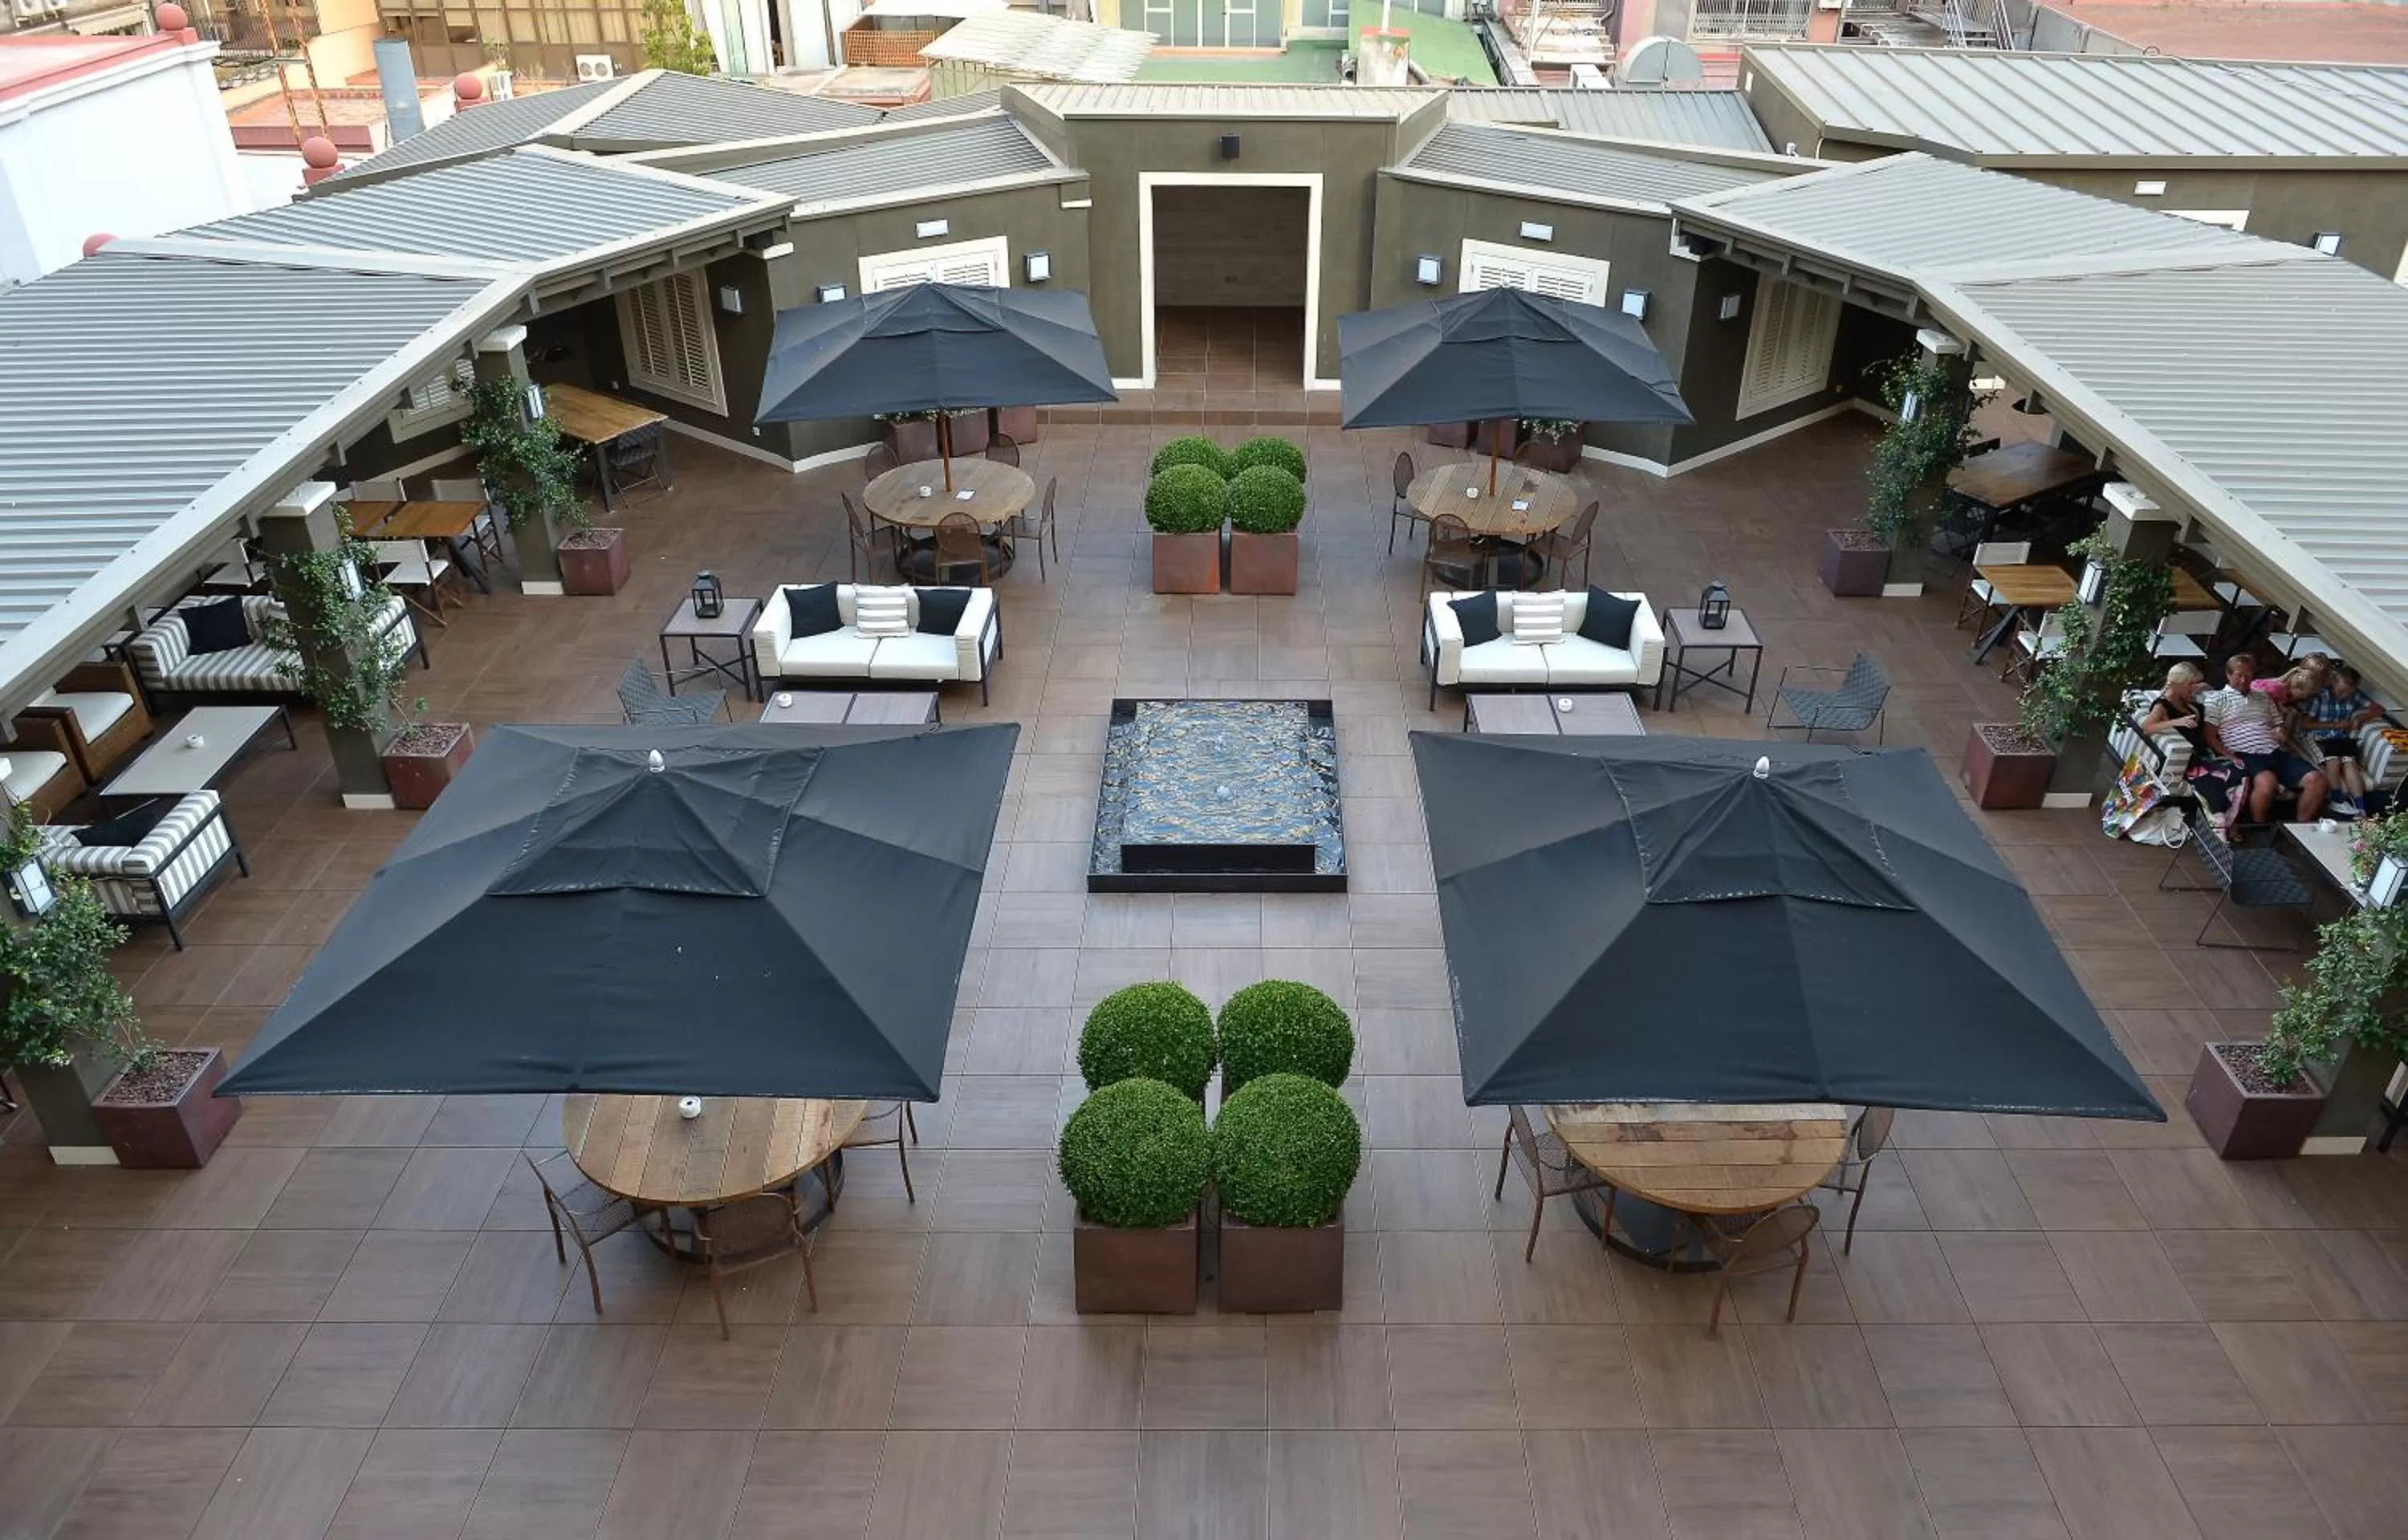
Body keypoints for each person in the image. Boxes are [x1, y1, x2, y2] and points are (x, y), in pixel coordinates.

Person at [2204, 654, 2326, 825]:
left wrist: (2280, 731)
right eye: (2238, 675)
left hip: (2274, 751)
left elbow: (2279, 724)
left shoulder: (2264, 697)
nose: (2244, 679)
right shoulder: (2215, 699)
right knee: (2268, 782)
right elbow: (2209, 735)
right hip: (2245, 753)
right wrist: (2229, 756)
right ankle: (2260, 827)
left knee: (2316, 779)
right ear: (2228, 675)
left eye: (2248, 674)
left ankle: (2300, 828)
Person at [2143, 661, 2245, 828]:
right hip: (2191, 761)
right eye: (2190, 685)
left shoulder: (2183, 698)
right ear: (2179, 684)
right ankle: (2221, 825)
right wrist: (2178, 721)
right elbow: (2148, 727)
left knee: (2239, 774)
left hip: (2203, 753)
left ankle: (2228, 823)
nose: (2193, 688)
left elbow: (2205, 686)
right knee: (2224, 781)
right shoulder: (2164, 704)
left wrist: (2201, 687)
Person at [2297, 662, 2382, 817]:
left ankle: (2361, 807)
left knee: (2350, 762)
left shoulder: (2353, 695)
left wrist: (2362, 717)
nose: (2345, 696)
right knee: (2333, 759)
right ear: (2335, 682)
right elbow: (2305, 723)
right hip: (2318, 735)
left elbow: (2378, 709)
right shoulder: (2320, 696)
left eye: (2348, 693)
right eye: (2342, 691)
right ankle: (2338, 800)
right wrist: (2335, 725)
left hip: (2339, 738)